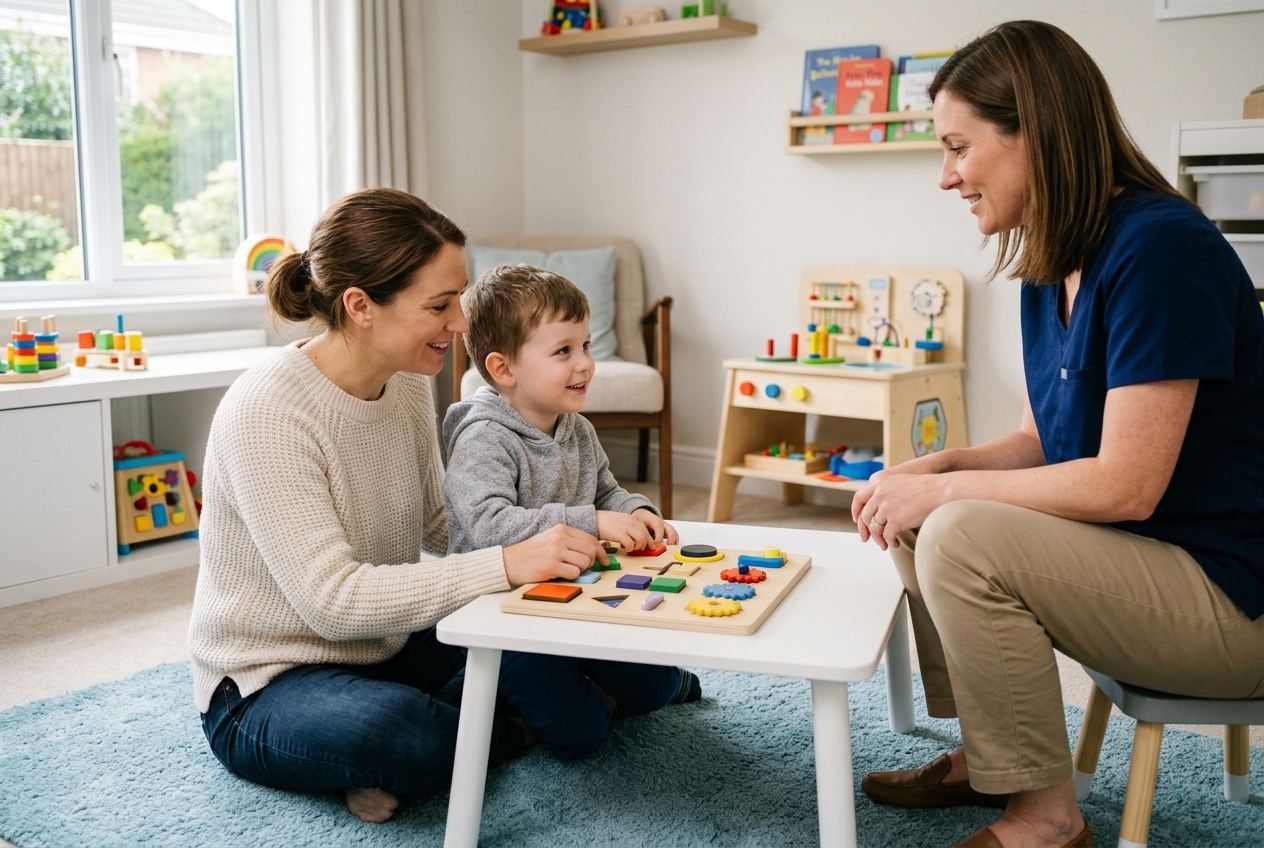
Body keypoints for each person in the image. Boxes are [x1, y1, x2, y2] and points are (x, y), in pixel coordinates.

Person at [850, 21, 1264, 848]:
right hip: (1153, 561)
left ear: (1032, 132)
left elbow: (1123, 483)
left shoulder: (1161, 248)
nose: (946, 177)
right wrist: (938, 468)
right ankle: (992, 753)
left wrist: (950, 490)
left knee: (961, 527)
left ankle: (1045, 820)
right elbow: (1055, 435)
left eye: (959, 147)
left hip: (1232, 601)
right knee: (922, 508)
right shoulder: (1052, 256)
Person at [189, 188, 611, 824]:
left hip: (386, 645)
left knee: (536, 634)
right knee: (396, 730)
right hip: (269, 681)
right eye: (440, 306)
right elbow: (331, 603)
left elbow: (443, 526)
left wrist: (545, 546)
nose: (462, 324)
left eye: (460, 300)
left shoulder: (410, 384)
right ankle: (492, 734)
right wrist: (505, 566)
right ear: (360, 306)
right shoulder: (267, 414)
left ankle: (447, 744)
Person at [443, 264, 701, 759]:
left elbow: (606, 491)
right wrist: (592, 521)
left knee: (652, 690)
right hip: (505, 618)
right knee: (579, 733)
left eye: (585, 346)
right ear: (503, 369)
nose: (584, 363)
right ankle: (547, 705)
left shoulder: (575, 426)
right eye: (563, 351)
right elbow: (487, 526)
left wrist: (636, 509)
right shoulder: (483, 438)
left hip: (580, 598)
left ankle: (646, 685)